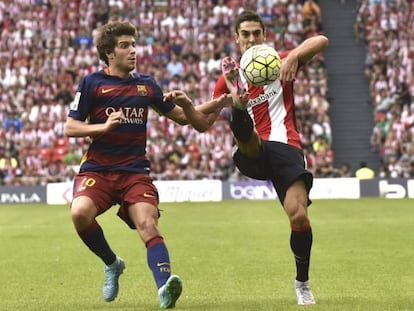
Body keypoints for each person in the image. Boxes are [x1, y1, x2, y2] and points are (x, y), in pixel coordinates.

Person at [64, 21, 230, 309]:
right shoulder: (92, 83)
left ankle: (164, 288)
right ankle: (112, 264)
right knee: (79, 213)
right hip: (98, 171)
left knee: (147, 224)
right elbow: (70, 127)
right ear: (109, 53)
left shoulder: (146, 85)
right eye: (125, 45)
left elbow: (181, 116)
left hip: (134, 173)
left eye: (133, 44)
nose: (133, 51)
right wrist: (102, 128)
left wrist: (215, 103)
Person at [212, 10, 329, 305]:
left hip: (286, 145)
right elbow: (203, 121)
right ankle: (240, 103)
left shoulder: (280, 60)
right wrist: (187, 109)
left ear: (264, 35)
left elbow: (321, 40)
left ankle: (302, 283)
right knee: (247, 134)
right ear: (237, 39)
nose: (252, 39)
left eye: (256, 33)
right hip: (252, 147)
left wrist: (293, 58)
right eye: (245, 35)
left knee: (299, 216)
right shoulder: (225, 77)